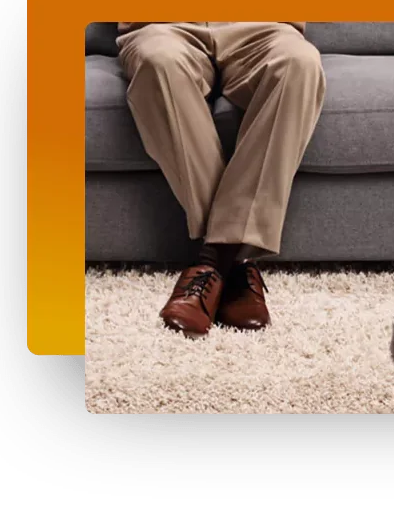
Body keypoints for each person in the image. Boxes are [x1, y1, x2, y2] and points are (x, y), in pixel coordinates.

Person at [116, 21, 326, 335]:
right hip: (162, 21)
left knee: (300, 63)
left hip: (261, 22)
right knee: (158, 61)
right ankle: (235, 264)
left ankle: (213, 259)